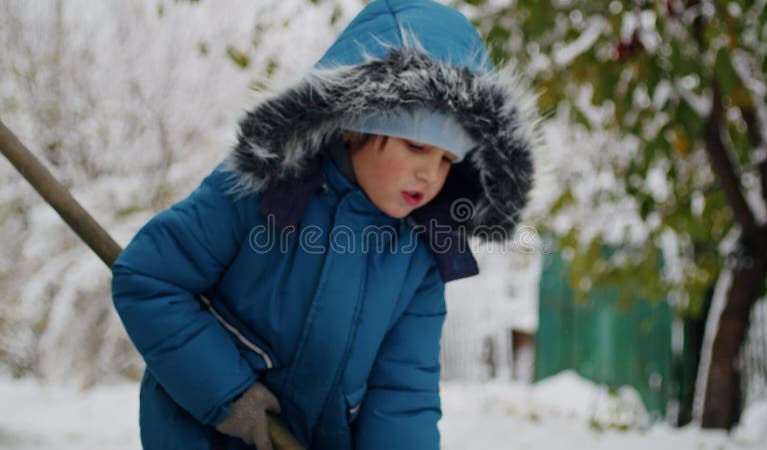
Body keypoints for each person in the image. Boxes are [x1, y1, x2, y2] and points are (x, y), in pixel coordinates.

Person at [111, 0, 538, 449]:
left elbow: (402, 392)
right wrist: (226, 394)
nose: (430, 174)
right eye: (416, 146)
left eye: (448, 158)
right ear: (354, 123)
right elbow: (148, 280)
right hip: (204, 435)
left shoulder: (421, 256)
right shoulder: (263, 188)